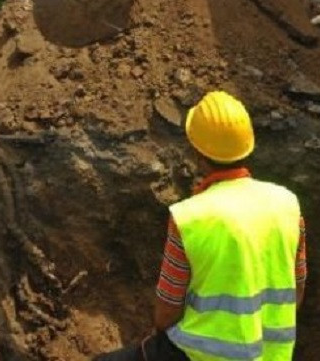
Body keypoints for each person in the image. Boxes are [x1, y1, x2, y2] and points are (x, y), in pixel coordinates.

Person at [95, 91, 306, 361]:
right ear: (248, 145)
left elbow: (167, 312)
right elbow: (297, 290)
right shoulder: (287, 204)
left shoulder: (190, 217)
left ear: (197, 153)